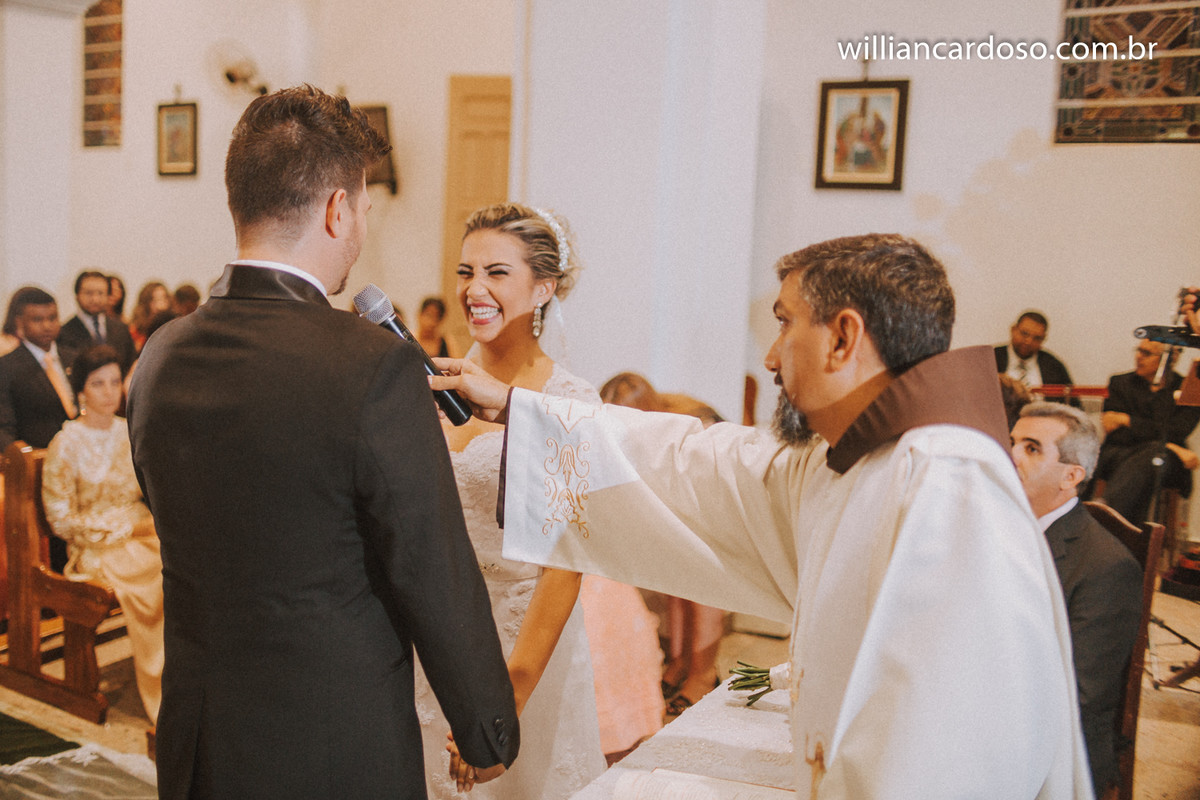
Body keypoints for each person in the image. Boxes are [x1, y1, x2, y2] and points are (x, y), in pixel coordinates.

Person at [435, 234, 1092, 798]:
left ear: (843, 338)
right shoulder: (859, 462)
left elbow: (944, 753)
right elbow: (692, 464)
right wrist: (526, 416)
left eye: (783, 323)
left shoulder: (947, 493)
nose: (771, 357)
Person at [126, 85, 518, 800]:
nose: (362, 226)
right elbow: (431, 566)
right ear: (338, 209)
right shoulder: (371, 364)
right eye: (365, 209)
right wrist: (486, 724)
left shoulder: (159, 353)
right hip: (335, 741)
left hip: (199, 735)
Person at [417, 202, 606, 797]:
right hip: (436, 638)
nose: (475, 289)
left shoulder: (571, 401)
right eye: (465, 271)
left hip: (521, 646)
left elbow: (566, 564)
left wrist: (508, 696)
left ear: (543, 288)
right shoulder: (435, 383)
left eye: (497, 273)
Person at [1011, 401, 1143, 795]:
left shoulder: (1107, 567)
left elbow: (1078, 696)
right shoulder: (996, 529)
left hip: (1056, 754)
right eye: (1012, 441)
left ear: (1071, 476)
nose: (1010, 454)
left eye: (1031, 448)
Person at [41, 344, 164, 723]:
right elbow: (61, 521)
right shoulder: (65, 444)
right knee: (156, 577)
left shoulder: (128, 430)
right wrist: (125, 529)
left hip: (141, 534)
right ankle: (161, 687)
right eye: (98, 384)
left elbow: (151, 489)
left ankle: (193, 680)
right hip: (96, 547)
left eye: (115, 381)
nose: (110, 391)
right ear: (81, 391)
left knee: (186, 563)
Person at [599, 372, 724, 718]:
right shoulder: (642, 430)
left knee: (703, 587)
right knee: (678, 580)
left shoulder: (691, 426)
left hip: (711, 495)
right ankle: (681, 666)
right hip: (680, 492)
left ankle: (703, 676)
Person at [0, 287, 78, 572]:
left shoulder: (73, 358)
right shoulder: (7, 367)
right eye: (38, 319)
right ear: (20, 322)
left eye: (52, 317)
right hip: (39, 468)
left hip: (80, 464)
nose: (47, 326)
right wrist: (25, 464)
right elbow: (3, 427)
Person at [1089, 339, 1200, 525]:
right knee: (1147, 460)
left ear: (1169, 359)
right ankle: (1132, 537)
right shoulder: (1120, 382)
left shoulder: (1187, 388)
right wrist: (1172, 445)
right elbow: (1116, 433)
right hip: (1121, 454)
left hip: (1166, 461)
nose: (1138, 356)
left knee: (1152, 458)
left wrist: (1128, 420)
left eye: (1147, 353)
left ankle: (1107, 514)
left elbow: (1179, 431)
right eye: (1139, 350)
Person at [57, 270, 137, 373]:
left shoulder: (121, 329)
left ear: (108, 296)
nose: (95, 299)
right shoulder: (64, 333)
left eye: (100, 293)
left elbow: (131, 364)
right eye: (88, 293)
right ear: (77, 295)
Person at [994, 310, 1074, 389]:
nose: (1029, 341)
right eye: (1024, 334)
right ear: (1013, 330)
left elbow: (1072, 400)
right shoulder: (992, 358)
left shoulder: (1054, 366)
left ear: (1043, 339)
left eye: (1037, 338)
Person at [127, 281, 171, 352]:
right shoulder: (135, 331)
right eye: (155, 300)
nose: (160, 305)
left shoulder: (172, 327)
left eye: (164, 299)